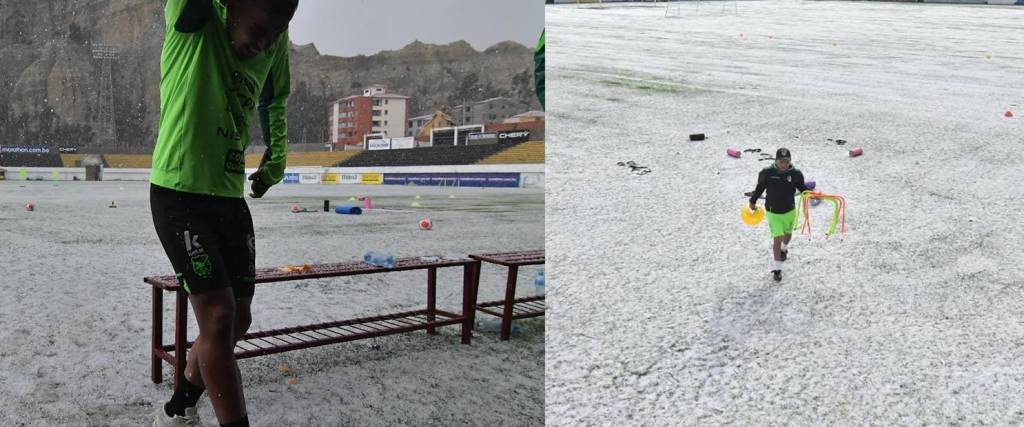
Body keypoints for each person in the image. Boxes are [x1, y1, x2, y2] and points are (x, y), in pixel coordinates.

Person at [149, 0, 297, 426]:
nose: (266, 42)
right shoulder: (195, 16)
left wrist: (277, 158)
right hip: (179, 193)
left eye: (277, 32)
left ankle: (182, 400)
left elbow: (275, 98)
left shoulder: (275, 38)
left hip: (229, 198)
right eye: (259, 29)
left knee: (238, 319)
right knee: (218, 315)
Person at [748, 147, 808, 282]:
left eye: (786, 161)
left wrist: (812, 194)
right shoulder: (767, 173)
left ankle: (784, 248)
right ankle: (777, 269)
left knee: (788, 235)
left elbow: (803, 189)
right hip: (773, 211)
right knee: (777, 239)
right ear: (776, 161)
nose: (784, 164)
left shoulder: (796, 173)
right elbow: (759, 188)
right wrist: (753, 201)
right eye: (781, 161)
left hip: (789, 211)